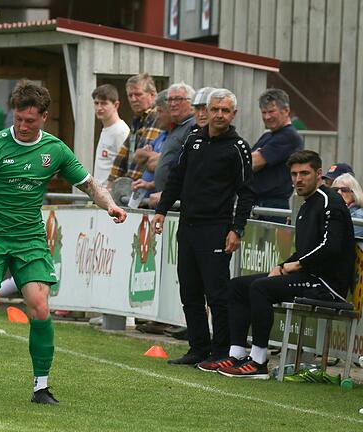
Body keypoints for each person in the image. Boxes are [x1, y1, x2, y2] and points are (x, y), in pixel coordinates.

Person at [0, 81, 127, 405]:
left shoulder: (55, 149)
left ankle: (41, 387)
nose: (22, 125)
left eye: (30, 120)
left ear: (44, 117)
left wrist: (110, 205)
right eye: (18, 118)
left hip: (30, 238)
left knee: (40, 306)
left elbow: (89, 184)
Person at [199, 150, 355, 378]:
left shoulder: (330, 202)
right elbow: (305, 250)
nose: (298, 179)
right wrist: (281, 265)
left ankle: (259, 362)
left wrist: (295, 265)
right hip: (308, 277)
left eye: (305, 173)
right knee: (237, 286)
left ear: (319, 174)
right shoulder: (306, 205)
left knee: (261, 288)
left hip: (327, 285)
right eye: (294, 174)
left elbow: (330, 247)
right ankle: (237, 354)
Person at [152, 88, 255, 366]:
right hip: (187, 226)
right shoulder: (193, 139)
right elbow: (176, 176)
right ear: (206, 112)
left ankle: (221, 352)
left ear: (234, 114)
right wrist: (161, 210)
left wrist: (237, 229)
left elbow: (246, 193)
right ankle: (198, 348)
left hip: (217, 229)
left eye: (225, 110)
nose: (219, 115)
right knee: (190, 292)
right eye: (215, 109)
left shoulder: (239, 147)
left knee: (217, 294)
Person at [251, 89, 303, 222]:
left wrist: (254, 157)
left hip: (273, 207)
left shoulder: (289, 136)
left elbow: (252, 163)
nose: (267, 117)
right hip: (257, 203)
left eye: (271, 111)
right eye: (264, 112)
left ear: (286, 110)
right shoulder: (267, 136)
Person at [106, 73, 162, 189]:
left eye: (138, 94)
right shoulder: (138, 120)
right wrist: (111, 184)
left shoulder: (158, 117)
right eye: (130, 95)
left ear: (152, 95)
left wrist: (126, 185)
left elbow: (141, 161)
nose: (133, 99)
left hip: (144, 189)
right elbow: (123, 155)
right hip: (134, 188)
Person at [147, 82, 196, 194]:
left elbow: (190, 169)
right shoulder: (177, 127)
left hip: (179, 202)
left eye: (178, 99)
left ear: (191, 102)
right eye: (170, 100)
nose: (173, 104)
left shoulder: (193, 127)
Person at [92, 84, 130, 187]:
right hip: (100, 194)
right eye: (96, 103)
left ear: (116, 105)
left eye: (104, 103)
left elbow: (126, 166)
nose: (99, 108)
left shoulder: (121, 131)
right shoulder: (106, 129)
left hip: (111, 195)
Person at [331, 173, 363, 237]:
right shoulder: (331, 211)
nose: (339, 193)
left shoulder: (359, 216)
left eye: (344, 190)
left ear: (354, 193)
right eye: (335, 190)